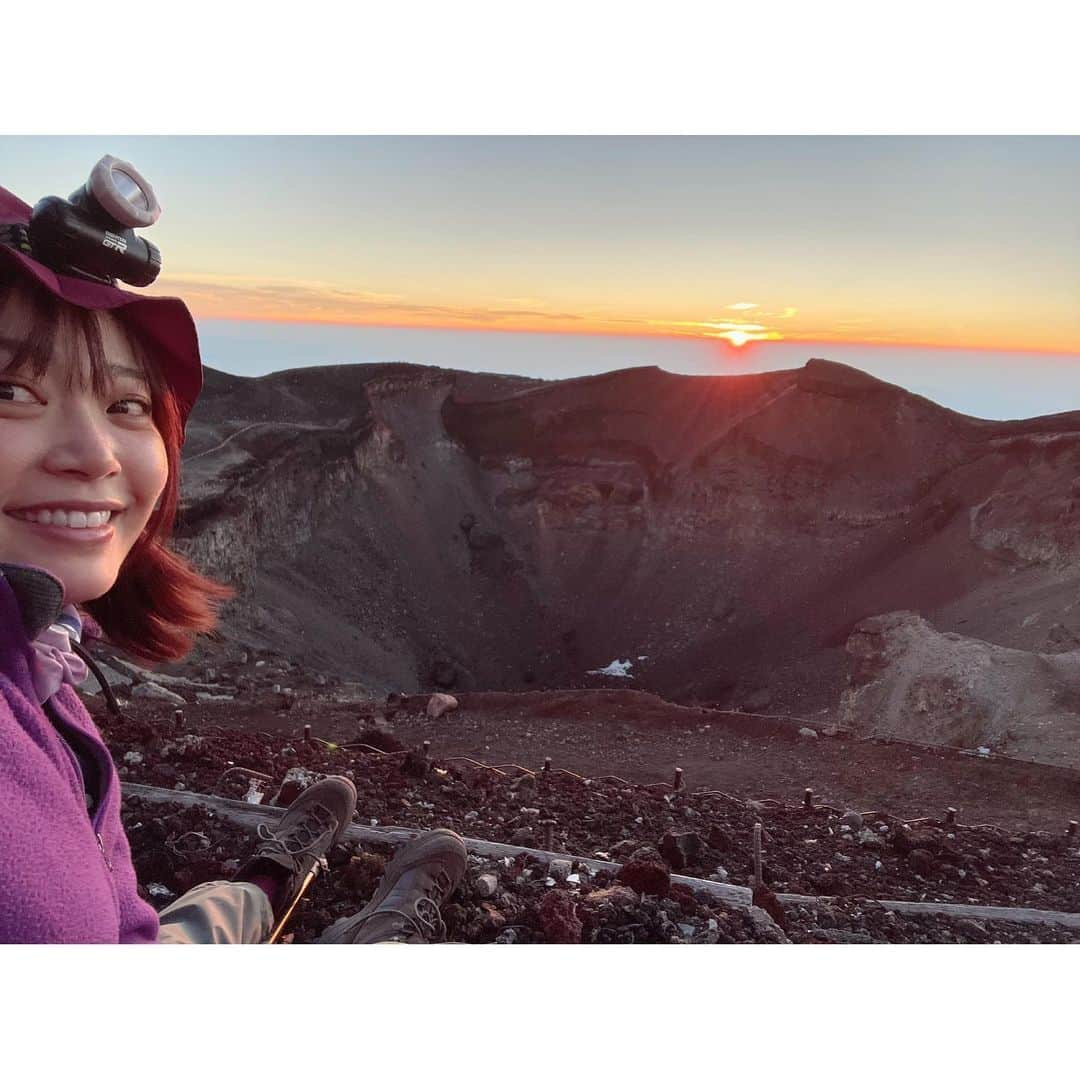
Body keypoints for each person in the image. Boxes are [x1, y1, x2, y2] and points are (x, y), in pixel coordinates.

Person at [0, 163, 466, 944]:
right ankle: (378, 934)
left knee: (216, 915)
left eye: (126, 403)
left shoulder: (33, 651)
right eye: (9, 392)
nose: (95, 453)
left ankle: (267, 880)